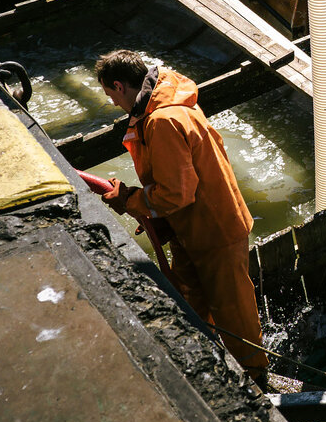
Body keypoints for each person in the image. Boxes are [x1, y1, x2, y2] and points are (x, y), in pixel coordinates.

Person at [94, 49, 270, 383]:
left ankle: (256, 377)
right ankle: (201, 361)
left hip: (215, 231)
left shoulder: (162, 121)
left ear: (119, 86)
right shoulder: (168, 103)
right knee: (189, 300)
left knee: (234, 314)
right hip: (193, 228)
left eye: (109, 95)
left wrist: (129, 199)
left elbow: (176, 193)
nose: (113, 103)